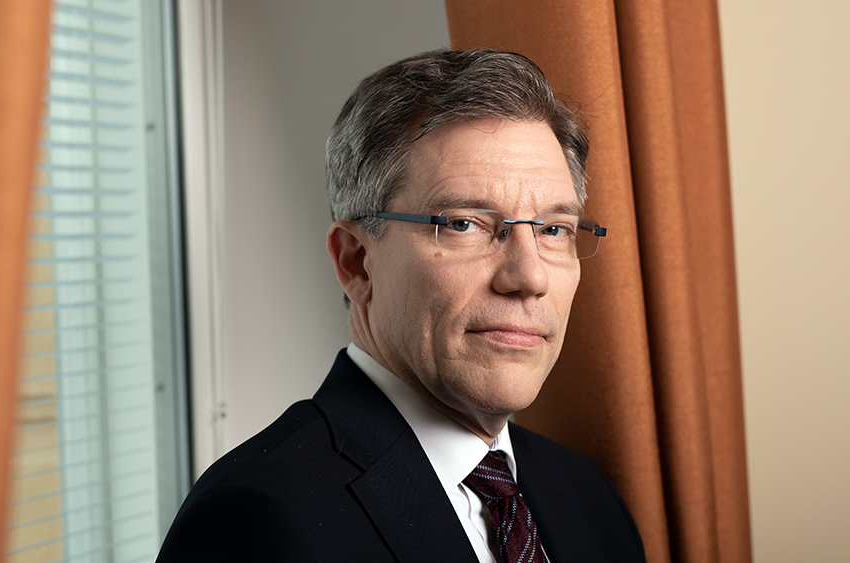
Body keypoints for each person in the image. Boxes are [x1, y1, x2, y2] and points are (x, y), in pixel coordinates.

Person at [156, 48, 645, 563]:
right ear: (357, 262)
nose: (529, 277)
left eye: (554, 230)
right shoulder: (255, 522)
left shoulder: (589, 497)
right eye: (464, 224)